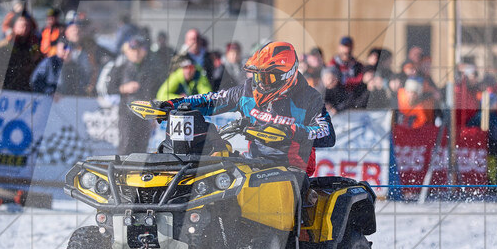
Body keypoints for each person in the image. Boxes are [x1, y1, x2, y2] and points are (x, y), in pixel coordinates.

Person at [158, 41, 332, 171]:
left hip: (291, 170)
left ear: (287, 76)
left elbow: (327, 134)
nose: (260, 84)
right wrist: (173, 105)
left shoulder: (309, 98)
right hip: (254, 163)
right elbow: (211, 100)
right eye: (257, 76)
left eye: (267, 78)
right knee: (213, 165)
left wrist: (291, 131)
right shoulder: (247, 91)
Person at [108, 36, 162, 154]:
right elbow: (110, 89)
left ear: (144, 51)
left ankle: (138, 167)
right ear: (127, 51)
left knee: (142, 147)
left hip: (145, 113)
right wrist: (124, 88)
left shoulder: (151, 69)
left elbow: (156, 91)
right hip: (127, 113)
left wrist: (155, 113)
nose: (136, 53)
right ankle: (123, 166)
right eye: (133, 50)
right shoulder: (120, 67)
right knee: (126, 145)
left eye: (139, 50)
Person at [0, 14, 41, 92]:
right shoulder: (5, 45)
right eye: (21, 26)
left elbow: (36, 64)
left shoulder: (33, 46)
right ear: (14, 27)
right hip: (7, 85)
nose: (24, 28)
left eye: (27, 26)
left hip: (25, 86)